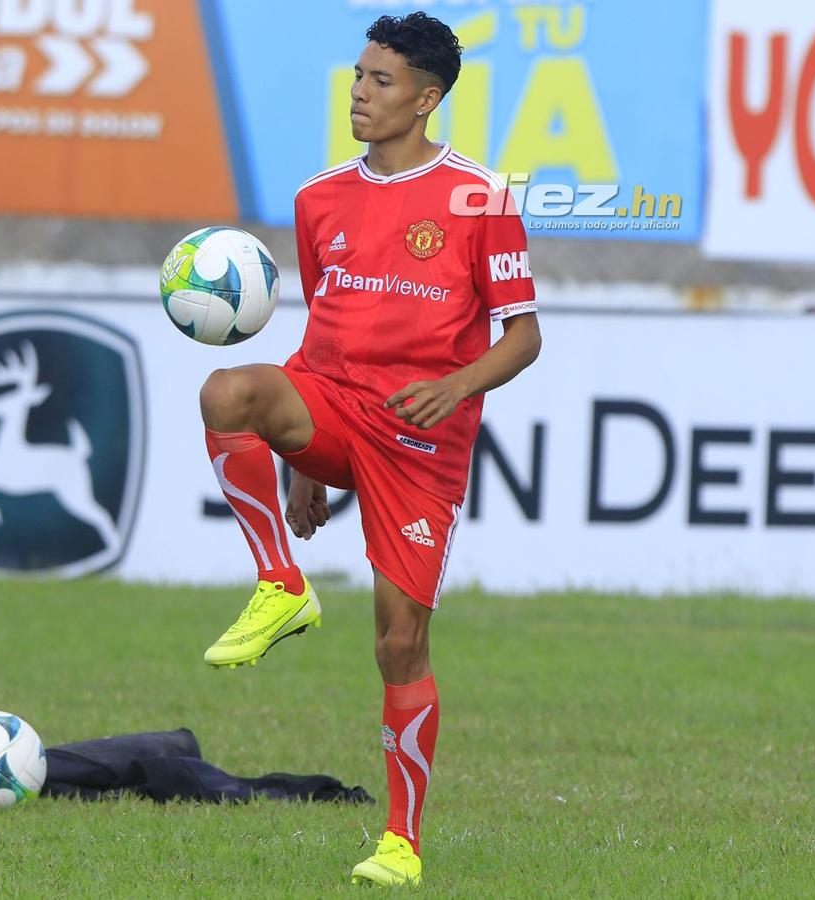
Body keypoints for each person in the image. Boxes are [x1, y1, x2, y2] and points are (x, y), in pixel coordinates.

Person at [198, 11, 540, 888]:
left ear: (427, 99)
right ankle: (281, 584)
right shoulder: (319, 199)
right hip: (338, 408)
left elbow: (524, 337)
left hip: (423, 444)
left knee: (398, 648)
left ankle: (399, 842)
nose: (359, 92)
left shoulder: (480, 197)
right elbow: (320, 336)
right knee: (228, 392)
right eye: (357, 76)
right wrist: (295, 463)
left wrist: (459, 385)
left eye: (381, 82)